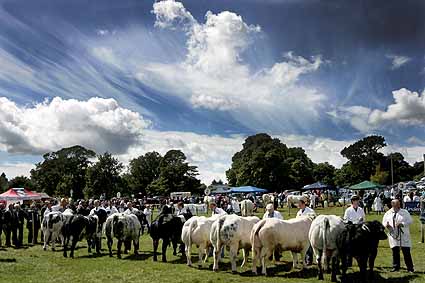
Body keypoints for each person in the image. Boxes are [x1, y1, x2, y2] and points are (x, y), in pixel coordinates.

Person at [382, 199, 414, 273]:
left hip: (403, 235)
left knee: (406, 252)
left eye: (399, 204)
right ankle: (396, 267)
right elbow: (383, 222)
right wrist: (386, 225)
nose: (398, 206)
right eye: (396, 204)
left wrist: (402, 224)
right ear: (392, 205)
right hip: (393, 235)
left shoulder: (404, 212)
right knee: (395, 252)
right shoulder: (388, 213)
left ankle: (410, 268)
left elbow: (410, 221)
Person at [296, 199, 315, 265]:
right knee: (302, 246)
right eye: (298, 205)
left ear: (303, 204)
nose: (299, 206)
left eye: (300, 204)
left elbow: (313, 220)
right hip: (300, 231)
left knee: (309, 246)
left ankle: (309, 260)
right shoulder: (299, 212)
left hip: (308, 230)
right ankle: (304, 259)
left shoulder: (310, 211)